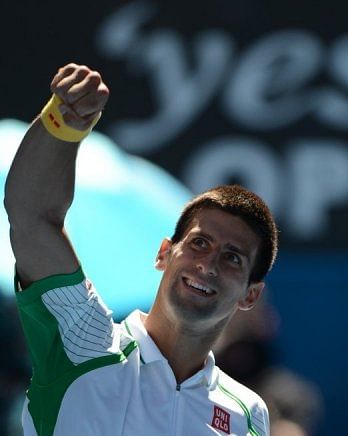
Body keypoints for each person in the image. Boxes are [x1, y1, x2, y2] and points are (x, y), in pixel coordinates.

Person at [4, 63, 278, 436]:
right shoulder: (83, 341)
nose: (208, 264)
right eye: (199, 243)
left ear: (251, 295)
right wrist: (62, 126)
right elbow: (33, 216)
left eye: (232, 258)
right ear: (164, 253)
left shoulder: (249, 413)